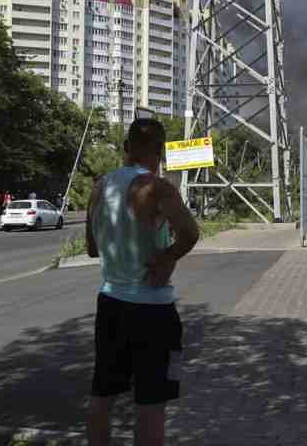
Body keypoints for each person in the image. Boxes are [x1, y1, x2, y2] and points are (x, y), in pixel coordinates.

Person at [85, 118, 200, 446]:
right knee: (150, 405)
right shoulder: (157, 188)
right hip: (151, 309)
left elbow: (93, 248)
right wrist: (167, 256)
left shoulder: (100, 186)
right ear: (160, 150)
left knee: (102, 394)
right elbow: (191, 233)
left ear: (126, 147)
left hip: (109, 305)